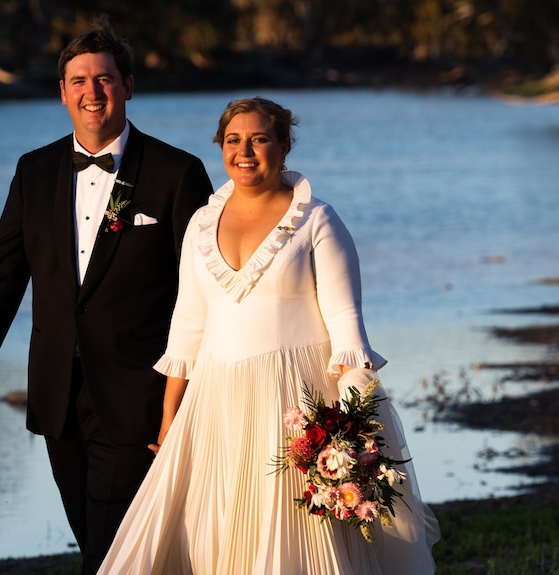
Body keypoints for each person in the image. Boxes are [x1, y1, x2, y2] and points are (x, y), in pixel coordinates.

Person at [98, 97, 440, 574]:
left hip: (295, 409)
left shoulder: (318, 221)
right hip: (215, 406)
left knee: (293, 544)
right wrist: (169, 417)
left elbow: (348, 333)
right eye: (234, 140)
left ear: (284, 147)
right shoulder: (200, 223)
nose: (245, 151)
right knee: (211, 533)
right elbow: (187, 327)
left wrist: (350, 432)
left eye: (260, 139)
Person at [0, 15, 214, 574]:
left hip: (143, 399)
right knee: (100, 546)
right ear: (62, 93)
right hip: (58, 399)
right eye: (79, 81)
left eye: (105, 79)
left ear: (128, 86)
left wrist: (195, 396)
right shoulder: (33, 172)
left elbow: (208, 293)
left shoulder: (177, 174)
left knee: (110, 553)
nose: (92, 92)